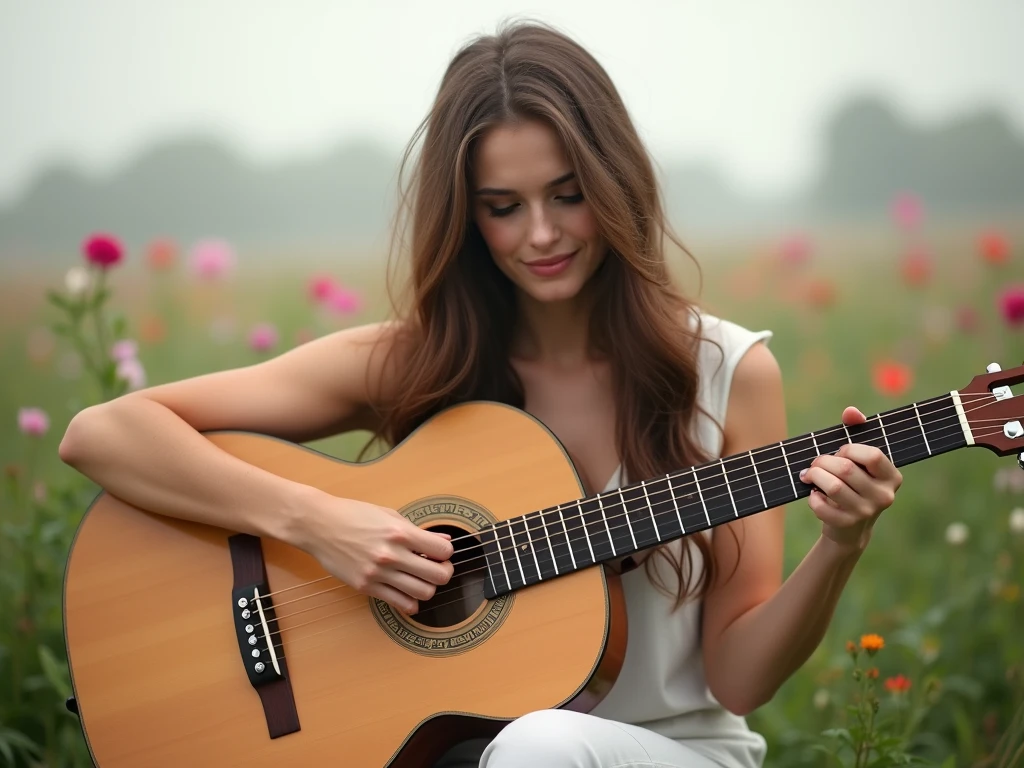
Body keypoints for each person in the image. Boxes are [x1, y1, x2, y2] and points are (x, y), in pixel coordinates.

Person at [58, 20, 904, 768]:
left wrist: (842, 546)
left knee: (540, 744)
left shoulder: (725, 373)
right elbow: (104, 433)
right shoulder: (420, 362)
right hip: (459, 754)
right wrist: (316, 524)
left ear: (615, 185)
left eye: (568, 195)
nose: (541, 234)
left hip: (671, 753)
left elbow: (737, 677)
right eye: (503, 207)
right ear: (466, 217)